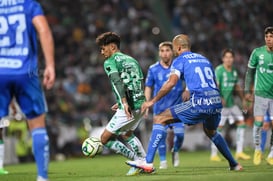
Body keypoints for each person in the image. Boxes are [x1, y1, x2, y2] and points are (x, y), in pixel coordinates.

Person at [126, 34, 242, 173]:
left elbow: (171, 83)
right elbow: (215, 83)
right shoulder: (204, 59)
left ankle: (148, 163)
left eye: (174, 48)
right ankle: (234, 164)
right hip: (216, 101)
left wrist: (152, 101)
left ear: (179, 47)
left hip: (200, 102)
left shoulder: (179, 60)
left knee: (160, 118)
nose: (174, 51)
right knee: (211, 131)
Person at [0, 0, 55, 180]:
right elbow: (44, 31)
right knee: (37, 124)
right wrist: (50, 65)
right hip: (26, 71)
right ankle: (42, 177)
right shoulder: (29, 5)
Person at [95, 32, 146, 176]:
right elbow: (138, 81)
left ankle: (137, 161)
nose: (102, 52)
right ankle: (144, 162)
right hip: (140, 103)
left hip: (128, 107)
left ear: (112, 47)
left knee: (104, 139)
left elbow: (117, 82)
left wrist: (123, 102)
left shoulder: (110, 61)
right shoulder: (132, 60)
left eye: (103, 48)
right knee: (126, 133)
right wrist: (127, 100)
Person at [145, 41, 185, 169]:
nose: (165, 53)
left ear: (172, 52)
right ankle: (163, 161)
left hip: (176, 109)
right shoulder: (153, 69)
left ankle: (175, 150)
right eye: (162, 51)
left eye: (167, 50)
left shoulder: (179, 67)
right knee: (160, 136)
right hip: (160, 109)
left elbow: (189, 79)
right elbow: (148, 87)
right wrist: (147, 104)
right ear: (159, 53)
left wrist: (188, 90)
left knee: (180, 135)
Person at [210, 48, 250, 161]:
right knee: (218, 128)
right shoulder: (219, 70)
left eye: (230, 57)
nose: (228, 59)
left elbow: (236, 86)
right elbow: (215, 85)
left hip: (231, 104)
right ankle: (213, 154)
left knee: (241, 122)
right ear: (223, 59)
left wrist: (243, 99)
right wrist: (219, 98)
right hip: (221, 105)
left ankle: (239, 152)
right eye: (226, 57)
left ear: (233, 59)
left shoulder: (234, 71)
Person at [244, 26, 273, 165]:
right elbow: (249, 73)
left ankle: (272, 154)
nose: (269, 39)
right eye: (267, 36)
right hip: (260, 93)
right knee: (259, 122)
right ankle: (257, 150)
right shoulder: (257, 53)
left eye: (271, 36)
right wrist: (247, 92)